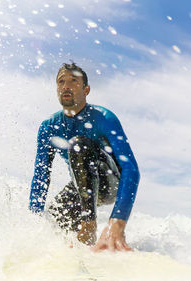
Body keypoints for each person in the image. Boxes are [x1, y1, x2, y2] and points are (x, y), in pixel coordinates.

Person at [29, 62, 140, 251]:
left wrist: (117, 222)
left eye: (73, 81)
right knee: (51, 227)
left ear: (86, 89)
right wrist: (32, 221)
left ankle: (89, 226)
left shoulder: (104, 118)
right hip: (80, 188)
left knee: (79, 144)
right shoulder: (48, 127)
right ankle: (80, 255)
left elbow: (131, 169)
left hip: (109, 182)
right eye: (61, 81)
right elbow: (41, 177)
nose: (66, 86)